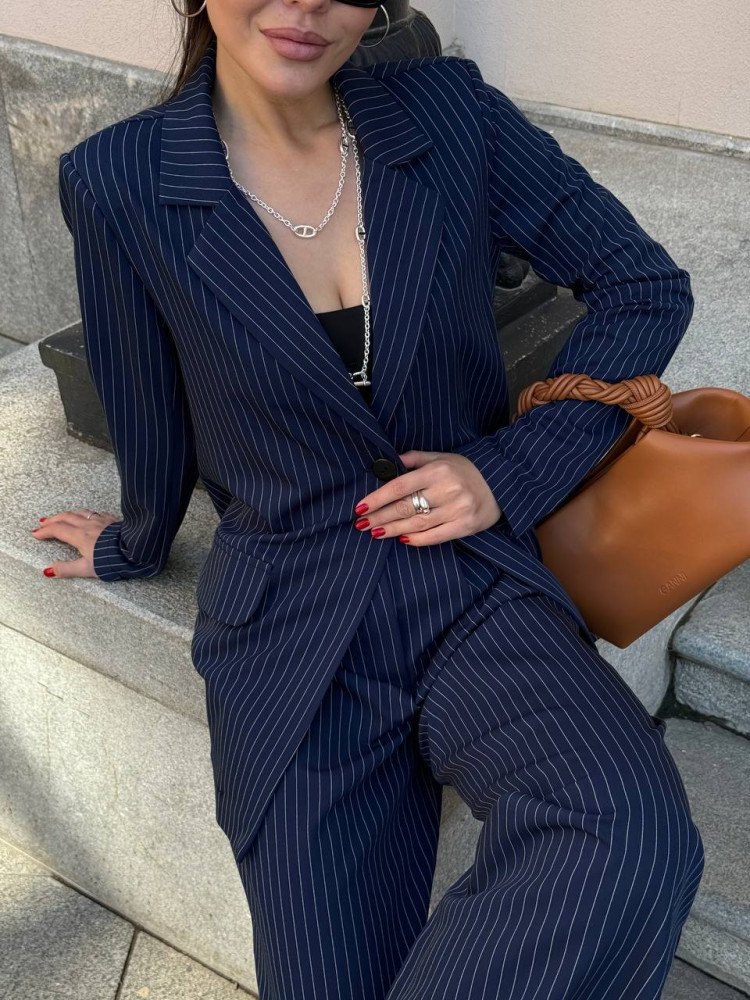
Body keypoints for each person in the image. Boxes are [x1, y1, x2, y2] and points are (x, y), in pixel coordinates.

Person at [44, 1, 705, 997]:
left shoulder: (447, 113)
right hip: (292, 622)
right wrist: (137, 540)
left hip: (471, 587)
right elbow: (145, 400)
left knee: (625, 831)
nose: (307, 4)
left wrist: (511, 469)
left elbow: (641, 283)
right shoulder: (120, 177)